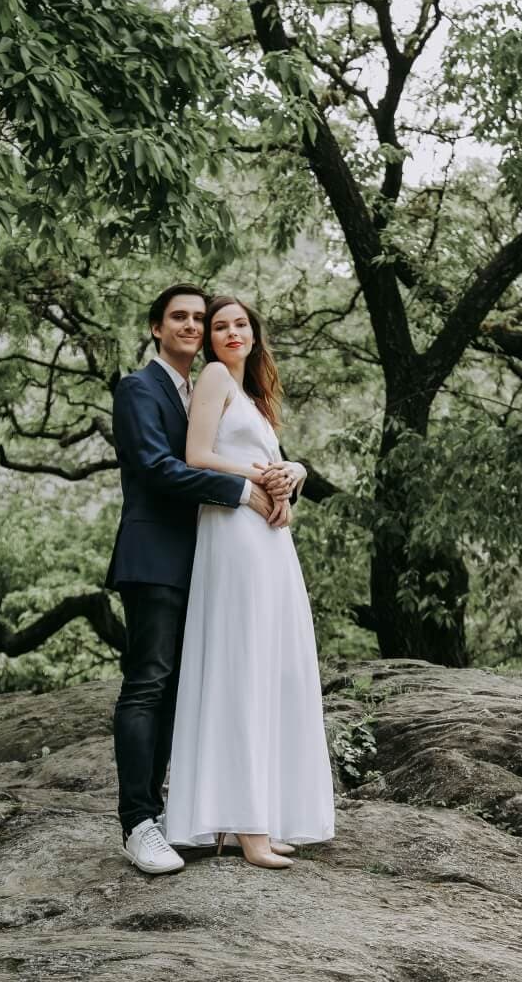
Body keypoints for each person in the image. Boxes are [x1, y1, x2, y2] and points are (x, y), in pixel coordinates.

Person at [105, 284, 287, 875]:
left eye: (197, 318)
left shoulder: (207, 389)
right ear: (157, 328)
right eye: (178, 317)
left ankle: (180, 813)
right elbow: (158, 468)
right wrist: (241, 489)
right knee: (148, 683)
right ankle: (137, 822)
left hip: (208, 562)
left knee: (189, 690)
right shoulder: (138, 388)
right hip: (155, 557)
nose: (191, 325)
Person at [163, 295, 335, 868]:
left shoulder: (256, 397)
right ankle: (246, 826)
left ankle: (253, 817)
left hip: (269, 541)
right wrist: (260, 476)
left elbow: (276, 463)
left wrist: (295, 473)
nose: (231, 333)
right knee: (241, 666)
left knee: (271, 667)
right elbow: (196, 454)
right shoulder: (213, 377)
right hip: (233, 535)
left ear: (254, 334)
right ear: (209, 340)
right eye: (220, 326)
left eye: (240, 324)